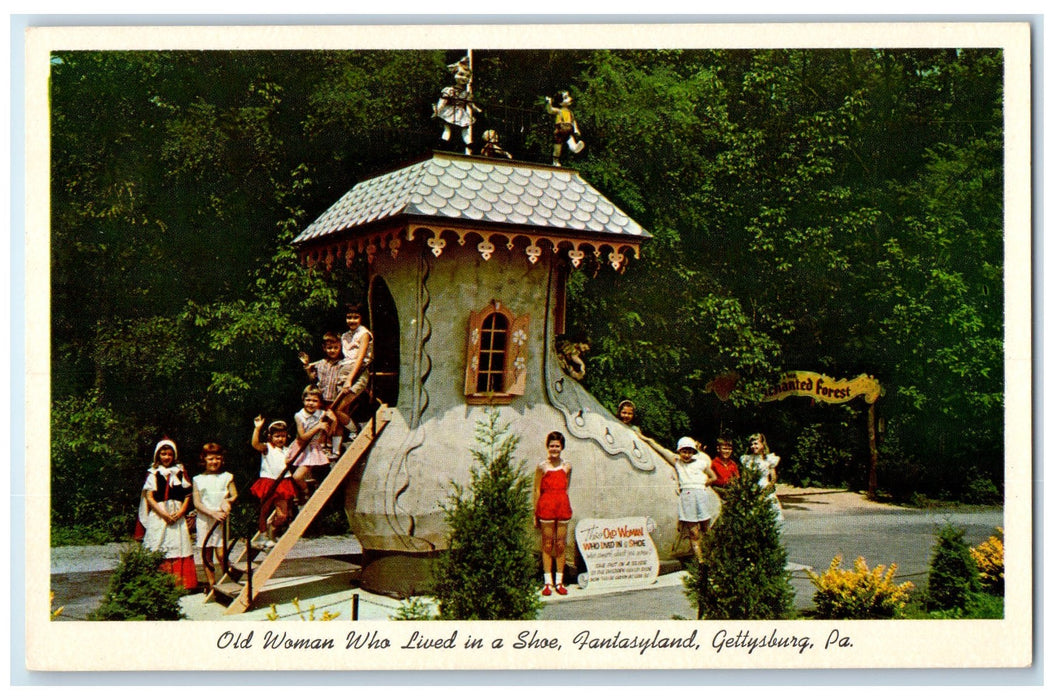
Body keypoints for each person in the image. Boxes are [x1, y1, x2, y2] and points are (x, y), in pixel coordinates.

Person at [137, 439, 198, 590]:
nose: (166, 457)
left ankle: (181, 583)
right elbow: (149, 497)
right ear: (158, 455)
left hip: (177, 512)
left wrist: (182, 512)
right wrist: (163, 514)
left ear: (174, 456)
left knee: (178, 543)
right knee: (159, 542)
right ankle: (157, 581)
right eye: (163, 454)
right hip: (160, 512)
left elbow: (187, 495)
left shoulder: (180, 472)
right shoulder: (153, 473)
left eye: (169, 454)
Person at [192, 443, 238, 593]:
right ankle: (212, 584)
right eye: (211, 459)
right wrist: (212, 513)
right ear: (204, 459)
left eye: (217, 458)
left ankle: (229, 580)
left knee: (221, 553)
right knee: (206, 554)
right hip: (205, 519)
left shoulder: (227, 477)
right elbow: (197, 502)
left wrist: (227, 502)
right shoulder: (198, 479)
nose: (214, 462)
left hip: (221, 520)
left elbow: (234, 495)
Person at [298, 332, 352, 456]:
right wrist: (306, 365)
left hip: (336, 399)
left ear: (340, 347)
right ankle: (323, 447)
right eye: (329, 348)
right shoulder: (321, 363)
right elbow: (312, 378)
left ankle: (336, 450)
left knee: (336, 423)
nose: (332, 350)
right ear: (324, 348)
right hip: (322, 399)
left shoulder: (343, 364)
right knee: (323, 423)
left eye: (335, 347)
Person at [533, 431, 573, 596]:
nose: (554, 449)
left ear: (562, 447)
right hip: (546, 507)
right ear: (547, 447)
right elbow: (536, 489)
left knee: (561, 545)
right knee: (548, 544)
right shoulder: (542, 466)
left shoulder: (567, 466)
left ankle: (559, 582)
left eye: (557, 446)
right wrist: (535, 513)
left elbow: (566, 486)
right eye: (551, 446)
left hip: (562, 506)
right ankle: (547, 583)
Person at [670, 437, 721, 563]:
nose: (687, 455)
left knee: (706, 529)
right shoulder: (678, 463)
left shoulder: (700, 463)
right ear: (679, 451)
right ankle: (701, 562)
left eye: (689, 451)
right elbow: (661, 451)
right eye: (684, 451)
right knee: (694, 533)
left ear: (693, 452)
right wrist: (644, 438)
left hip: (700, 496)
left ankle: (712, 557)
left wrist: (702, 485)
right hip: (687, 497)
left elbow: (714, 477)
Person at [249, 416, 297, 548]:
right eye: (277, 436)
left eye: (283, 436)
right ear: (270, 436)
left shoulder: (288, 450)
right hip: (268, 481)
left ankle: (272, 530)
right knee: (264, 510)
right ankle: (263, 534)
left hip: (283, 482)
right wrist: (257, 428)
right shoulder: (267, 448)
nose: (280, 439)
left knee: (282, 515)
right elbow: (255, 444)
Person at [333, 304, 374, 441]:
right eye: (349, 317)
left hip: (357, 373)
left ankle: (355, 429)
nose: (352, 320)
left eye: (355, 317)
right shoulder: (345, 336)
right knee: (342, 411)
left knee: (337, 408)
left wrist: (350, 379)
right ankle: (336, 449)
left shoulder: (364, 334)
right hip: (343, 371)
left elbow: (360, 358)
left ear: (361, 318)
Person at [291, 386, 337, 504]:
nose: (311, 403)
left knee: (300, 476)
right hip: (301, 446)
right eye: (308, 400)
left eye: (315, 401)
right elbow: (303, 437)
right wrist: (317, 427)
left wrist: (334, 421)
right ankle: (305, 490)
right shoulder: (299, 416)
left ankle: (308, 490)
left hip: (313, 448)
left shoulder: (322, 414)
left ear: (320, 402)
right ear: (303, 400)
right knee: (294, 476)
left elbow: (330, 432)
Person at [741, 432, 783, 522]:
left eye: (756, 443)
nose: (753, 446)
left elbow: (773, 478)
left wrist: (766, 492)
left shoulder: (768, 459)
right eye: (751, 444)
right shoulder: (747, 459)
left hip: (765, 489)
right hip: (752, 490)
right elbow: (745, 477)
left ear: (762, 444)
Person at [544, 90, 584, 166]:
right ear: (560, 102)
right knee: (557, 149)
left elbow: (573, 122)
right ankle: (555, 161)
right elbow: (550, 110)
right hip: (560, 131)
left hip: (568, 131)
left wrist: (576, 130)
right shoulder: (559, 111)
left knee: (570, 140)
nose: (569, 99)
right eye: (566, 98)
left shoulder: (570, 113)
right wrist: (549, 103)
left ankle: (575, 148)